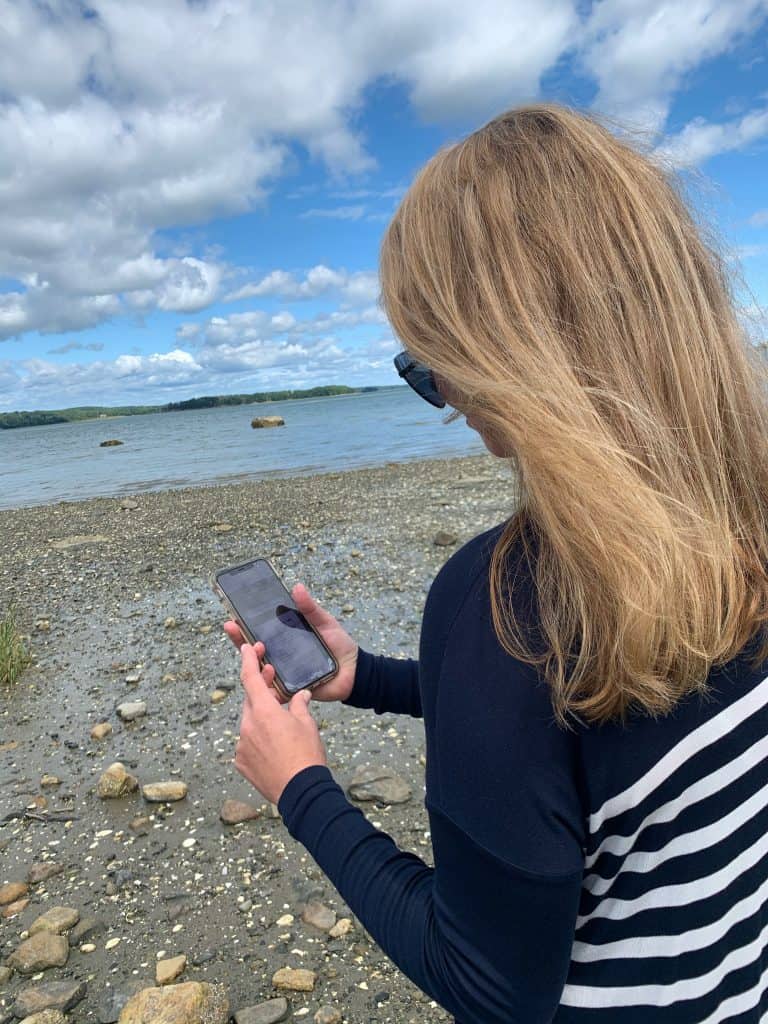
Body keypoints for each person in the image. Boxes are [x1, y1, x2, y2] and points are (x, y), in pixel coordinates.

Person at [223, 102, 768, 1023]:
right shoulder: (732, 528)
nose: (442, 404)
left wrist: (301, 789)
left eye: (432, 365)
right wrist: (376, 680)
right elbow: (602, 715)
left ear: (505, 355)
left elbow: (488, 986)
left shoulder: (506, 605)